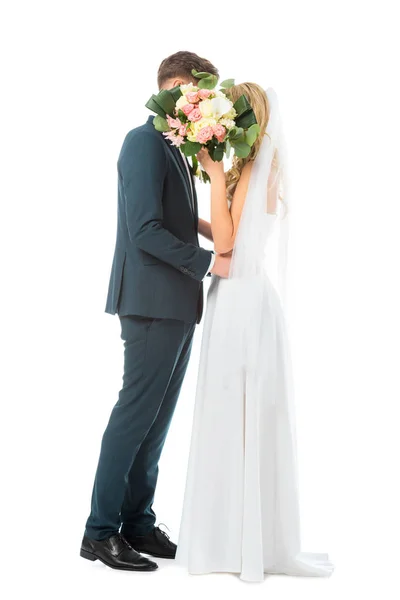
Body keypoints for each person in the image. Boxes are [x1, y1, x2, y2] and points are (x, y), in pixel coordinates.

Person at [176, 83, 334, 582]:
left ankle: (234, 543)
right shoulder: (259, 168)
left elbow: (228, 239)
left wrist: (215, 170)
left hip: (242, 302)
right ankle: (238, 537)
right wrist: (190, 220)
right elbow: (231, 235)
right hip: (241, 295)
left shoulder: (247, 167)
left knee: (233, 409)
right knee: (235, 411)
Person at [80, 51, 230, 572]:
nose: (203, 104)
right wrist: (212, 262)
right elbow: (144, 231)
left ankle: (137, 523)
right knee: (134, 417)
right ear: (173, 89)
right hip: (149, 303)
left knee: (156, 422)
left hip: (177, 304)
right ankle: (99, 532)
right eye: (197, 93)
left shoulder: (176, 148)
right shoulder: (142, 142)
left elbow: (179, 220)